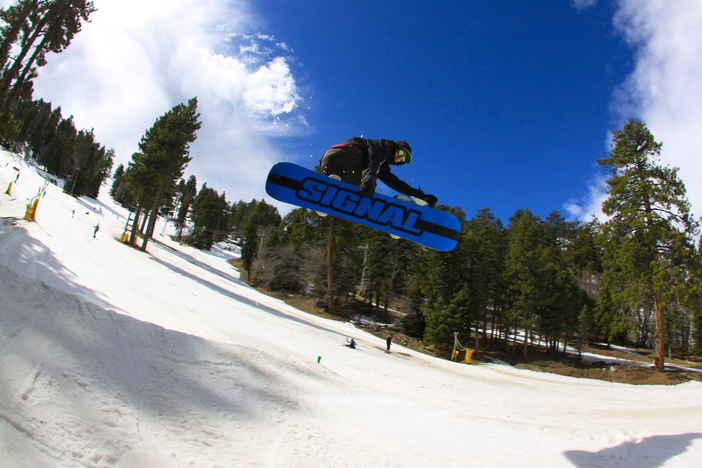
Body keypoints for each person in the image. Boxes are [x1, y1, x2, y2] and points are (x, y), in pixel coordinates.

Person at [320, 137, 438, 207]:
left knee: (347, 193)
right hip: (349, 155)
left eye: (403, 159)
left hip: (330, 160)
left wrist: (420, 195)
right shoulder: (384, 146)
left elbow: (393, 182)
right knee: (360, 192)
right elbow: (374, 157)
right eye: (401, 153)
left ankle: (327, 194)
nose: (399, 158)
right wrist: (370, 175)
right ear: (396, 147)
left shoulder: (382, 164)